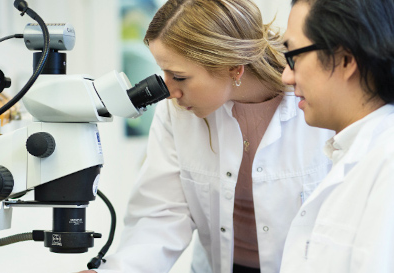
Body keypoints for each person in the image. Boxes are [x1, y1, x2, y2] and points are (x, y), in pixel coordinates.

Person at [79, 0, 333, 272]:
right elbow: (161, 215)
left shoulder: (316, 106)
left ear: (234, 67)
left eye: (179, 76)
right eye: (164, 72)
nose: (169, 91)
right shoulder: (178, 112)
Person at [279, 0, 394, 272]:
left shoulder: (387, 165)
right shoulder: (355, 152)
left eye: (293, 56)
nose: (286, 76)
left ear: (345, 60)